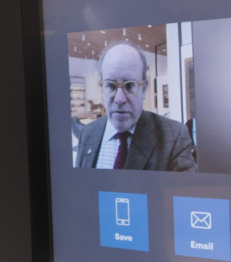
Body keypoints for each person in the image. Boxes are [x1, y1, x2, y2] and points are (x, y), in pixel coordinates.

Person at [74, 42, 196, 172]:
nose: (120, 99)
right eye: (110, 85)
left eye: (130, 85)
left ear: (144, 89)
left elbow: (184, 190)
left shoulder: (174, 136)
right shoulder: (87, 133)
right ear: (102, 87)